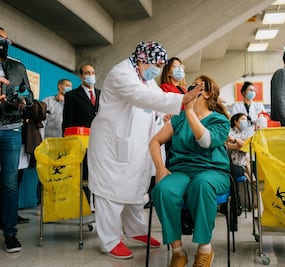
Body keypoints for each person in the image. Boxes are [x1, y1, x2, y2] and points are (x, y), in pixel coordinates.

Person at [87, 41, 203, 260]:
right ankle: (110, 241)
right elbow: (142, 97)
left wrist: (163, 114)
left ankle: (136, 230)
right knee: (110, 193)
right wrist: (180, 100)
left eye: (161, 65)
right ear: (142, 59)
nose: (158, 70)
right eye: (156, 64)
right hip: (111, 144)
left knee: (135, 190)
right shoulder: (122, 73)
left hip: (135, 144)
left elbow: (152, 103)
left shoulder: (145, 78)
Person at [150, 75, 230, 267]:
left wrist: (189, 111)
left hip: (213, 171)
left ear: (208, 93)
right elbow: (155, 141)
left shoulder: (220, 120)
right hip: (182, 171)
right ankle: (178, 251)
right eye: (191, 85)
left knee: (201, 184)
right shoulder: (179, 120)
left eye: (198, 86)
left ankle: (205, 249)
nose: (192, 88)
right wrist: (161, 168)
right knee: (163, 190)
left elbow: (205, 141)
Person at [0, 27, 34, 253]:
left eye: (3, 38)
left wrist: (19, 100)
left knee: (10, 182)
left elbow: (29, 97)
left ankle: (10, 233)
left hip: (10, 129)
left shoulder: (17, 67)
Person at [62, 64, 99, 201]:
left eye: (92, 72)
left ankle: (97, 202)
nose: (90, 75)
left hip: (99, 141)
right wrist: (67, 142)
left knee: (97, 171)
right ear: (81, 76)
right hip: (80, 142)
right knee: (83, 172)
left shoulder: (101, 94)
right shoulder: (72, 95)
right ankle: (85, 203)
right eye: (87, 73)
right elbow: (67, 121)